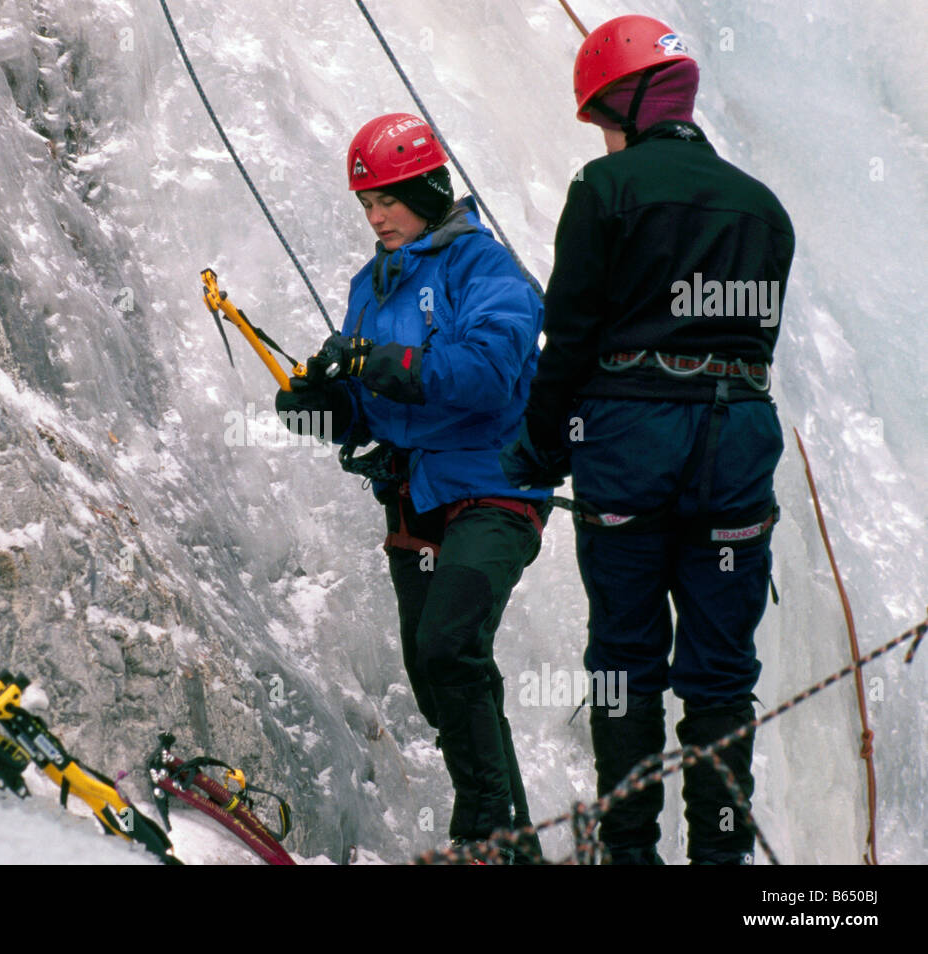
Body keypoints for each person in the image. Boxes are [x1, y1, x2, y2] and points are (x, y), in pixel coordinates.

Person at [501, 15, 795, 864]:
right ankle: (722, 858)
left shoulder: (606, 193)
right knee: (721, 675)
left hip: (629, 440)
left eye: (600, 119)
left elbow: (571, 342)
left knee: (626, 663)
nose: (600, 138)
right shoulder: (764, 210)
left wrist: (538, 451)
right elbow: (754, 347)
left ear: (626, 103)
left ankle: (629, 854)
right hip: (738, 441)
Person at [277, 112, 550, 859]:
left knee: (451, 644)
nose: (375, 216)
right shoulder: (371, 284)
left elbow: (489, 375)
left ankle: (484, 831)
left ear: (429, 189)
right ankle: (515, 844)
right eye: (365, 203)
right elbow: (370, 406)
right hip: (413, 500)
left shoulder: (485, 270)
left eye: (388, 199)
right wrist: (325, 408)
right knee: (440, 679)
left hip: (494, 489)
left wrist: (386, 362)